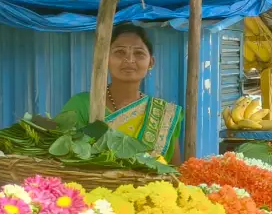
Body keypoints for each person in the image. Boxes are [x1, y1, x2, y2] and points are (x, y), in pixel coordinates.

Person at [61, 23, 184, 162]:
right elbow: (62, 158)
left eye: (139, 53)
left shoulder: (164, 114)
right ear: (106, 59)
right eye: (120, 52)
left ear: (151, 62)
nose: (129, 60)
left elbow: (174, 171)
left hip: (153, 184)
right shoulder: (82, 105)